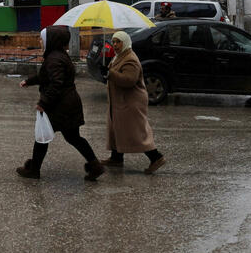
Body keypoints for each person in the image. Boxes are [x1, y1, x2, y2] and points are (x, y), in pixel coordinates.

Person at [17, 26, 105, 181]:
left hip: (60, 105)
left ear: (51, 40)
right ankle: (95, 165)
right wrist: (29, 81)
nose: (40, 41)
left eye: (42, 38)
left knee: (42, 137)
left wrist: (43, 103)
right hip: (68, 103)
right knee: (73, 137)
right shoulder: (57, 56)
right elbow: (46, 77)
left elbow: (56, 83)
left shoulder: (54, 59)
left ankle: (34, 170)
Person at [102, 31, 166, 174]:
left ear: (125, 42)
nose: (115, 45)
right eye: (113, 42)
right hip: (119, 101)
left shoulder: (130, 59)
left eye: (118, 42)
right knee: (116, 128)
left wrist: (111, 73)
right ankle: (116, 157)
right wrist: (107, 73)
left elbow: (129, 80)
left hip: (131, 102)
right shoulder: (119, 56)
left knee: (136, 132)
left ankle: (156, 157)